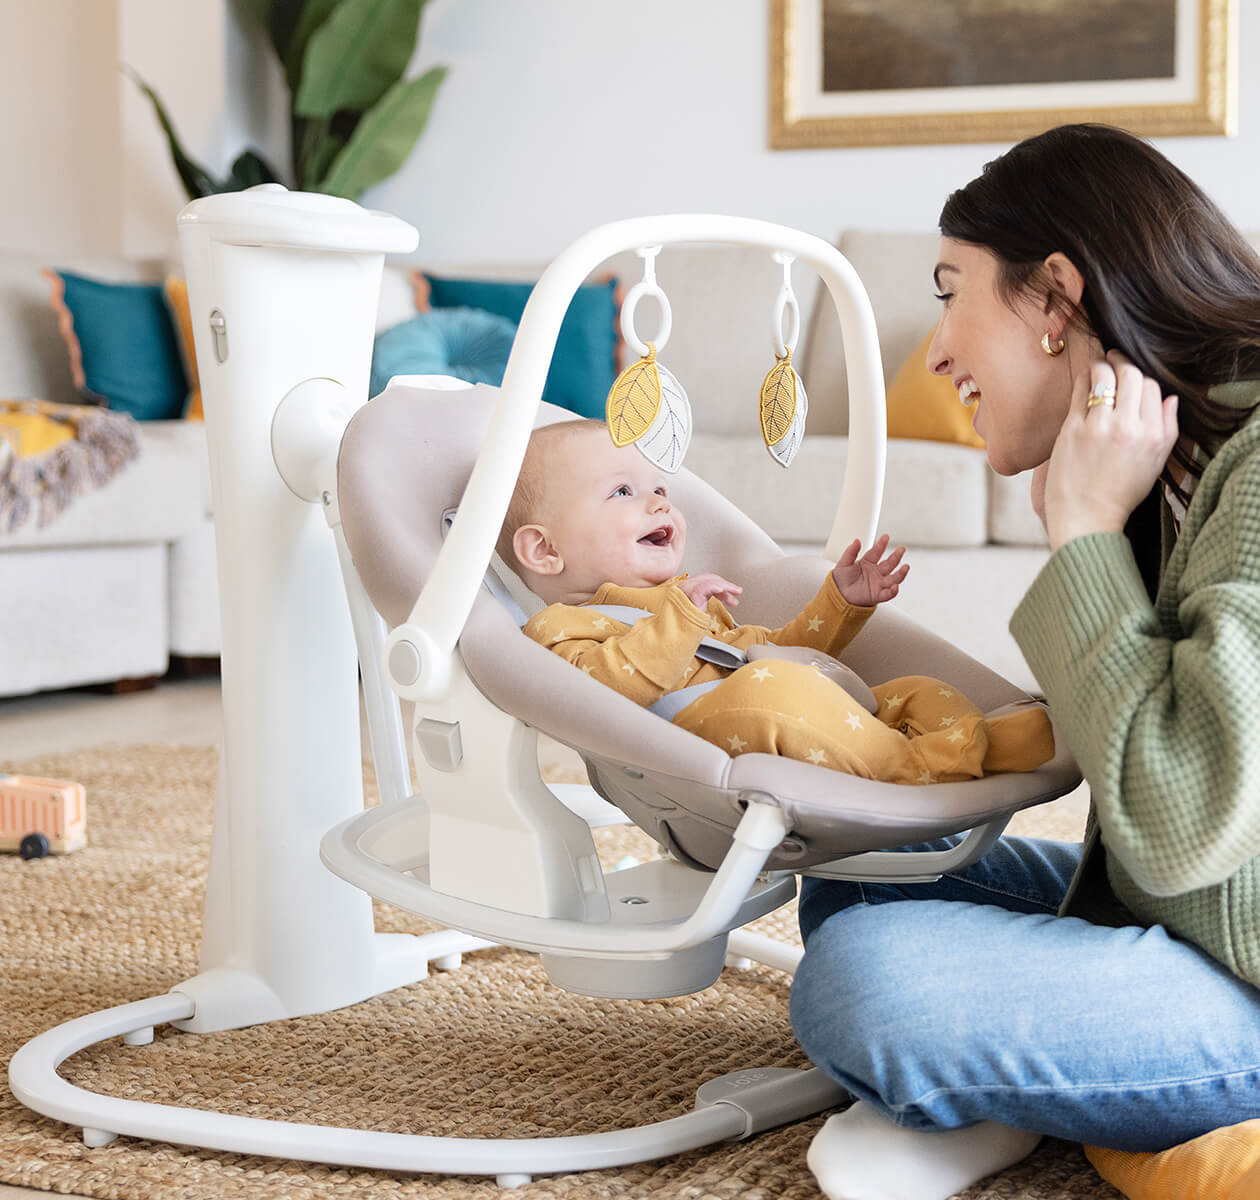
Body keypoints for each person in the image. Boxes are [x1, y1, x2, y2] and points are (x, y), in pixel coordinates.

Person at [791, 122, 1260, 1200]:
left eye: (950, 292)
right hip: (1198, 917)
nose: (935, 351)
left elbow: (1179, 821)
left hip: (1244, 975)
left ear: (1055, 297)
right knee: (855, 865)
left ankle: (1013, 1086)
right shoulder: (1187, 456)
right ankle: (1044, 1079)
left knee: (869, 984)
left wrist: (1083, 531)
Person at [498, 418, 1054, 785]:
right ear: (545, 550)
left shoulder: (690, 600)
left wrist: (839, 604)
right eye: (623, 492)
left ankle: (978, 740)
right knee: (775, 693)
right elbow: (603, 694)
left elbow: (771, 653)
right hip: (704, 729)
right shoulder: (560, 627)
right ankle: (919, 765)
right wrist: (679, 621)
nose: (660, 504)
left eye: (660, 490)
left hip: (786, 693)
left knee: (911, 690)